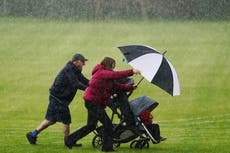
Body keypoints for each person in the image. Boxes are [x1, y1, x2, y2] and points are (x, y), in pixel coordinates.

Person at [64, 57, 141, 152]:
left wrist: (130, 87)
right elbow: (116, 75)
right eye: (113, 66)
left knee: (91, 125)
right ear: (108, 64)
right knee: (107, 124)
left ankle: (69, 140)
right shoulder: (102, 72)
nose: (113, 68)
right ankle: (107, 147)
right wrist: (132, 71)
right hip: (93, 102)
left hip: (94, 102)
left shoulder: (106, 76)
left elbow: (116, 86)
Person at [26, 53, 89, 146]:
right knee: (66, 120)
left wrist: (95, 84)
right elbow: (75, 84)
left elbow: (84, 80)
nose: (84, 64)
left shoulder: (75, 71)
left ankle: (33, 134)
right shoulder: (68, 70)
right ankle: (68, 142)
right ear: (76, 62)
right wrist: (89, 89)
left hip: (56, 98)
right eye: (82, 62)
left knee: (51, 120)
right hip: (59, 100)